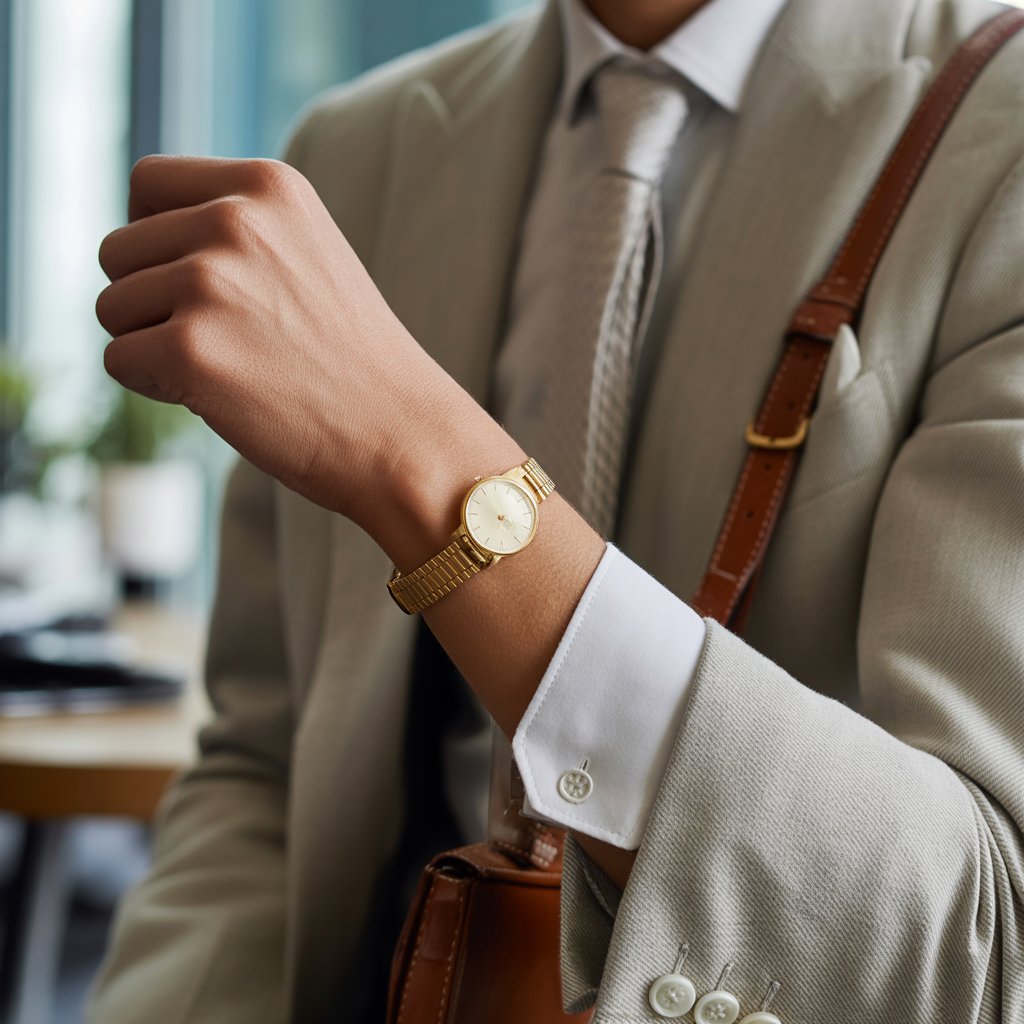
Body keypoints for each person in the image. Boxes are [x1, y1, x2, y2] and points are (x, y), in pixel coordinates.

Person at [87, 0, 1024, 1020]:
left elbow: (987, 937)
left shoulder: (1000, 139)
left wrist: (419, 455)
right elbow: (265, 771)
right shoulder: (354, 152)